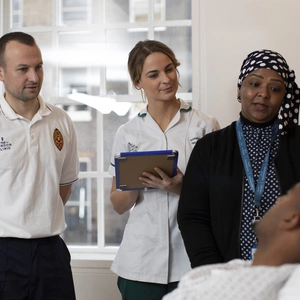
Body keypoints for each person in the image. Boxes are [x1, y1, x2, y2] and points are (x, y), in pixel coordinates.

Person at [108, 39, 220, 300]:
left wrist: (181, 188)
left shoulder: (205, 126)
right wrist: (134, 180)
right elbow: (118, 204)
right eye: (153, 74)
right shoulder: (127, 133)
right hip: (139, 263)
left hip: (192, 259)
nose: (166, 79)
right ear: (138, 82)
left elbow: (221, 199)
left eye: (170, 69)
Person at [177, 49, 300, 268]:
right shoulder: (210, 147)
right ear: (239, 88)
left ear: (284, 96)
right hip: (225, 276)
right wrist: (213, 271)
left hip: (292, 276)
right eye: (254, 84)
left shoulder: (297, 143)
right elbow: (193, 217)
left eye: (274, 88)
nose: (263, 93)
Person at [0, 32, 79, 299]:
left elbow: (64, 186)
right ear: (1, 73)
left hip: (51, 252)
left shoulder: (62, 120)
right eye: (23, 69)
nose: (34, 77)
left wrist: (39, 217)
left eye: (38, 66)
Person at [164, 182, 300, 300]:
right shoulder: (238, 269)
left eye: (287, 196)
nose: (278, 199)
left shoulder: (243, 289)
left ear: (291, 219)